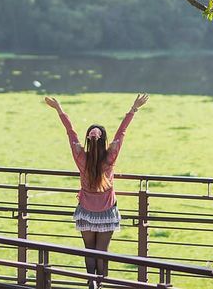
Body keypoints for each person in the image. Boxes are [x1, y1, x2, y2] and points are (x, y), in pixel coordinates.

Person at [44, 93, 149, 289]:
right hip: (107, 212)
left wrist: (59, 109)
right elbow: (121, 133)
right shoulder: (111, 157)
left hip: (85, 211)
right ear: (104, 141)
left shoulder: (80, 158)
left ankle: (91, 283)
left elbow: (71, 133)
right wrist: (134, 108)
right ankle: (100, 284)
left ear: (88, 140)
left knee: (89, 251)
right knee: (102, 252)